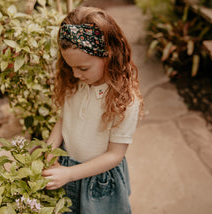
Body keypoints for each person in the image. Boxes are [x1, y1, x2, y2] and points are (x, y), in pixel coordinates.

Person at [42, 6, 143, 214]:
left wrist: (70, 174)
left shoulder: (125, 99)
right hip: (66, 166)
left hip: (100, 180)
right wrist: (50, 153)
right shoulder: (74, 83)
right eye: (70, 66)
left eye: (83, 68)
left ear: (109, 55)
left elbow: (115, 155)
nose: (75, 74)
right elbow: (64, 121)